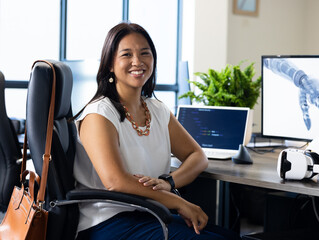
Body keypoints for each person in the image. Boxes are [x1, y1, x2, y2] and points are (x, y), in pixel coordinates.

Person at [73, 22, 241, 240]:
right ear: (110, 65)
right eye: (126, 54)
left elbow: (197, 156)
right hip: (108, 223)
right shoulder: (99, 114)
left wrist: (169, 182)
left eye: (145, 53)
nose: (137, 61)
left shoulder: (156, 109)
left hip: (150, 214)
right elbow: (116, 181)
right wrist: (178, 201)